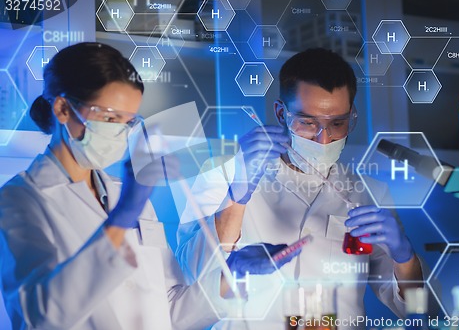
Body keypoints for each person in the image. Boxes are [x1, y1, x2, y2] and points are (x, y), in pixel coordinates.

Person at [0, 42, 298, 330]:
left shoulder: (124, 192)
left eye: (129, 121)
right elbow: (41, 317)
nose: (120, 131)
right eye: (110, 117)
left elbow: (169, 309)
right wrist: (125, 214)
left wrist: (234, 273)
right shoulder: (18, 199)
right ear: (63, 109)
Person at [176, 48, 429, 329]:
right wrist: (237, 195)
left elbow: (415, 312)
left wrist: (404, 256)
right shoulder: (222, 172)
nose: (323, 139)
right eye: (308, 122)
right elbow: (190, 277)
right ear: (281, 113)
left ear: (351, 116)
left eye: (337, 123)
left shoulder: (370, 192)